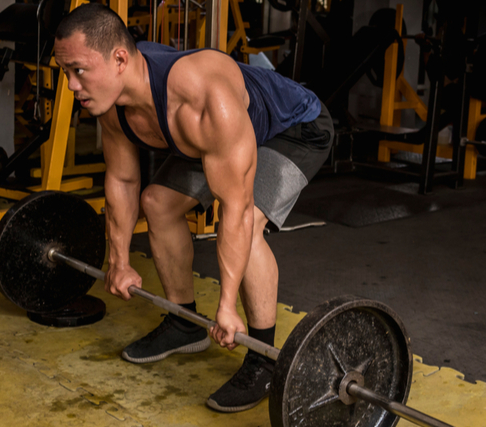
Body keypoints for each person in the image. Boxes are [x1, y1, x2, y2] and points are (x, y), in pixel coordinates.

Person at [54, 3, 333, 412]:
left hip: (294, 129)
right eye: (66, 72)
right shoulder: (113, 104)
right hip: (217, 136)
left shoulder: (202, 99)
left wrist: (227, 304)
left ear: (118, 59)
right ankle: (184, 323)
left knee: (247, 224)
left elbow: (234, 208)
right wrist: (119, 260)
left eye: (79, 70)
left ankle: (262, 357)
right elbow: (123, 181)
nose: (71, 85)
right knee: (157, 202)